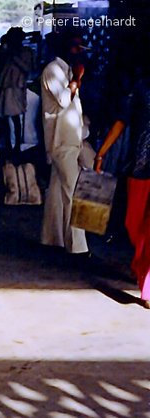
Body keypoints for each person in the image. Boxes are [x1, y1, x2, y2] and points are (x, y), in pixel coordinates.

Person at [95, 64, 150, 309]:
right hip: (140, 167)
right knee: (136, 225)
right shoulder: (141, 88)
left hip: (141, 168)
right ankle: (141, 268)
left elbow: (121, 121)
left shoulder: (140, 87)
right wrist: (102, 153)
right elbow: (122, 121)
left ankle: (147, 284)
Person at [40, 30, 95, 254]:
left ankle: (52, 238)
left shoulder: (66, 70)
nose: (79, 51)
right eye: (75, 46)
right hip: (60, 141)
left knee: (56, 193)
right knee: (72, 192)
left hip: (71, 139)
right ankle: (78, 249)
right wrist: (76, 80)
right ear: (64, 48)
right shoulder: (53, 70)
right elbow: (63, 100)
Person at [0, 28, 34, 159]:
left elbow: (27, 68)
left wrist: (13, 56)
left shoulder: (25, 53)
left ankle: (15, 145)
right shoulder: (9, 52)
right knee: (4, 117)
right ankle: (7, 144)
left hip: (16, 87)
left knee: (15, 118)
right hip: (7, 87)